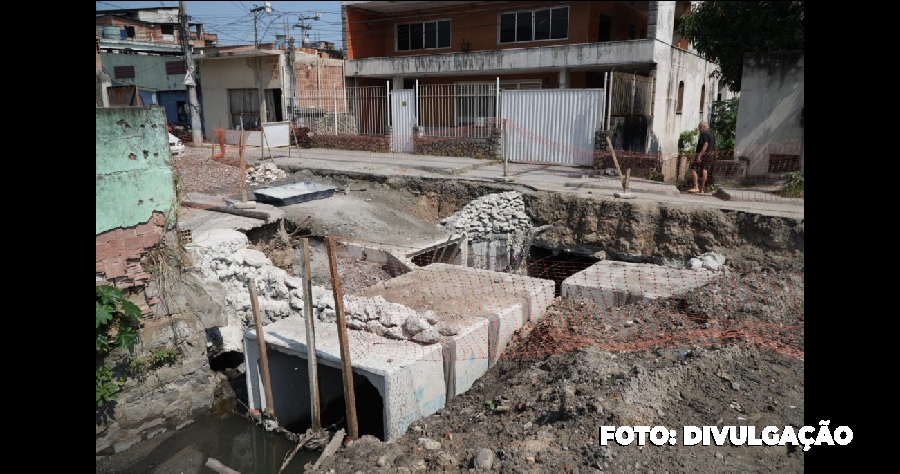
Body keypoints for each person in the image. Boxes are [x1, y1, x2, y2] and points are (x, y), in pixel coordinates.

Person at [688, 121, 716, 193]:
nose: (699, 129)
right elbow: (714, 146)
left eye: (699, 127)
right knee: (705, 169)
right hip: (710, 155)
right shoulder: (712, 134)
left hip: (703, 155)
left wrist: (699, 155)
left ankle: (696, 187)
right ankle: (702, 188)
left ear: (704, 127)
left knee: (693, 168)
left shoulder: (704, 134)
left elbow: (705, 144)